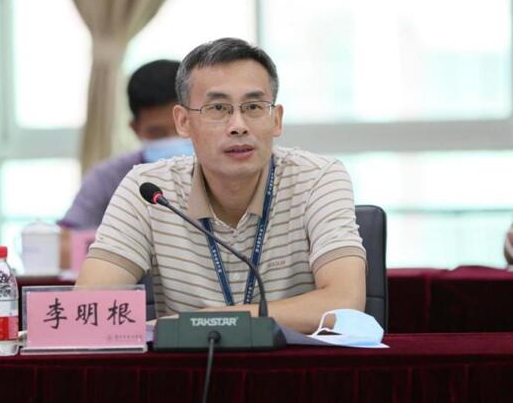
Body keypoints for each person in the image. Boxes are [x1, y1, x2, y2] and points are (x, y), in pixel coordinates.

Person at [77, 38, 366, 333]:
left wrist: (199, 322)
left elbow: (344, 303)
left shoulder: (318, 178)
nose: (238, 125)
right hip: (189, 363)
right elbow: (88, 309)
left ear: (276, 119)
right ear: (183, 121)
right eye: (218, 108)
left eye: (253, 107)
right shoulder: (149, 189)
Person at [58, 59, 192, 268]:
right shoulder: (107, 177)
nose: (173, 139)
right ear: (135, 128)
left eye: (182, 127)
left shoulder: (224, 170)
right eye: (157, 132)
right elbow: (63, 248)